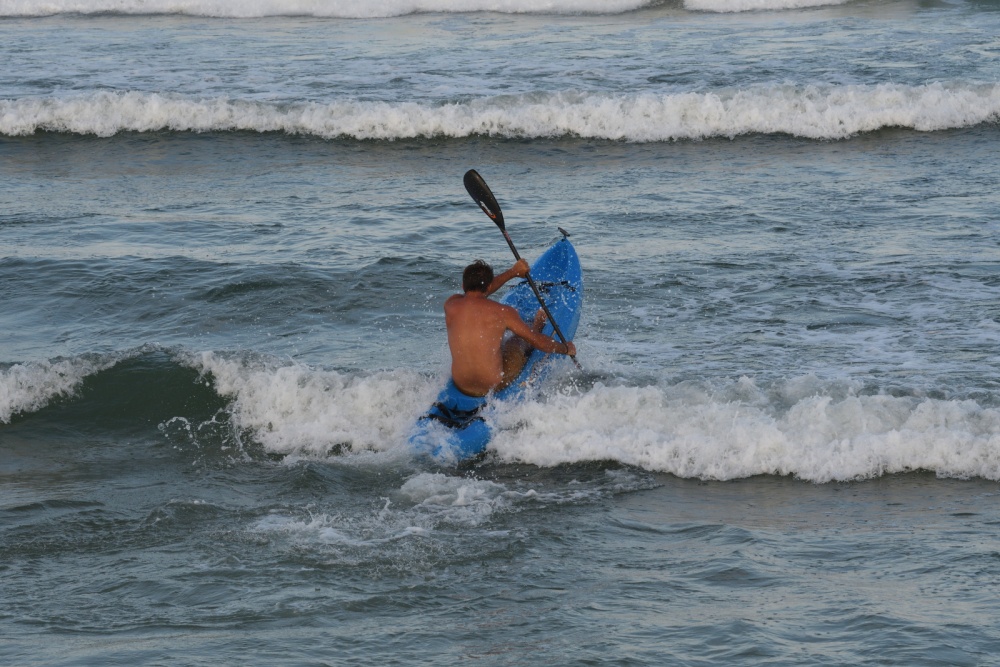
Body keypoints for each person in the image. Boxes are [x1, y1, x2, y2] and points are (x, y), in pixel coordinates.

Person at [444, 258, 576, 397]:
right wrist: (566, 348)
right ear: (489, 286)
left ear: (463, 286)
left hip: (461, 384)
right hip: (492, 386)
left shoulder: (451, 304)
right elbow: (537, 341)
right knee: (516, 340)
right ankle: (537, 326)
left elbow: (477, 294)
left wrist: (514, 272)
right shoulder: (503, 312)